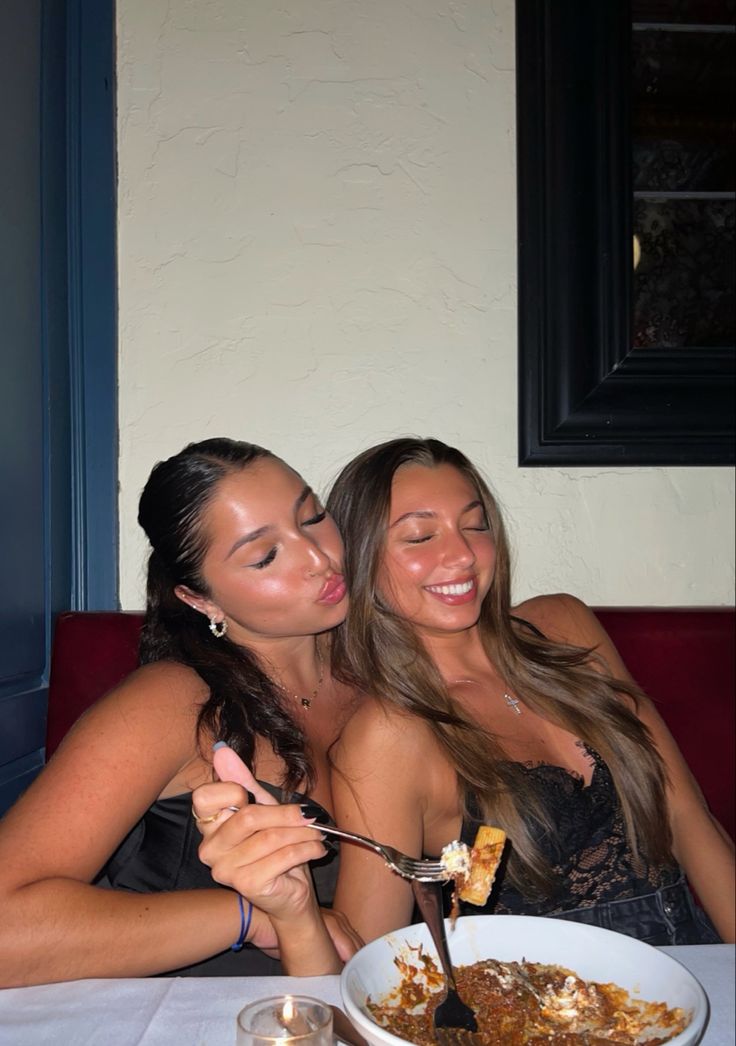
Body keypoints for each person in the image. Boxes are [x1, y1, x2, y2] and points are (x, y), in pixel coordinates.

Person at [322, 437, 734, 946]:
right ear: (361, 561)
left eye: (475, 525)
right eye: (420, 536)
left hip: (694, 959)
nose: (463, 553)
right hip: (544, 1004)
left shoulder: (564, 625)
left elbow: (687, 816)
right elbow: (371, 952)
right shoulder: (390, 733)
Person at [0, 438, 361, 987]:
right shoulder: (170, 703)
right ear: (200, 599)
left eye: (312, 517)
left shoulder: (377, 684)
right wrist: (251, 918)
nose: (319, 557)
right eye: (265, 556)